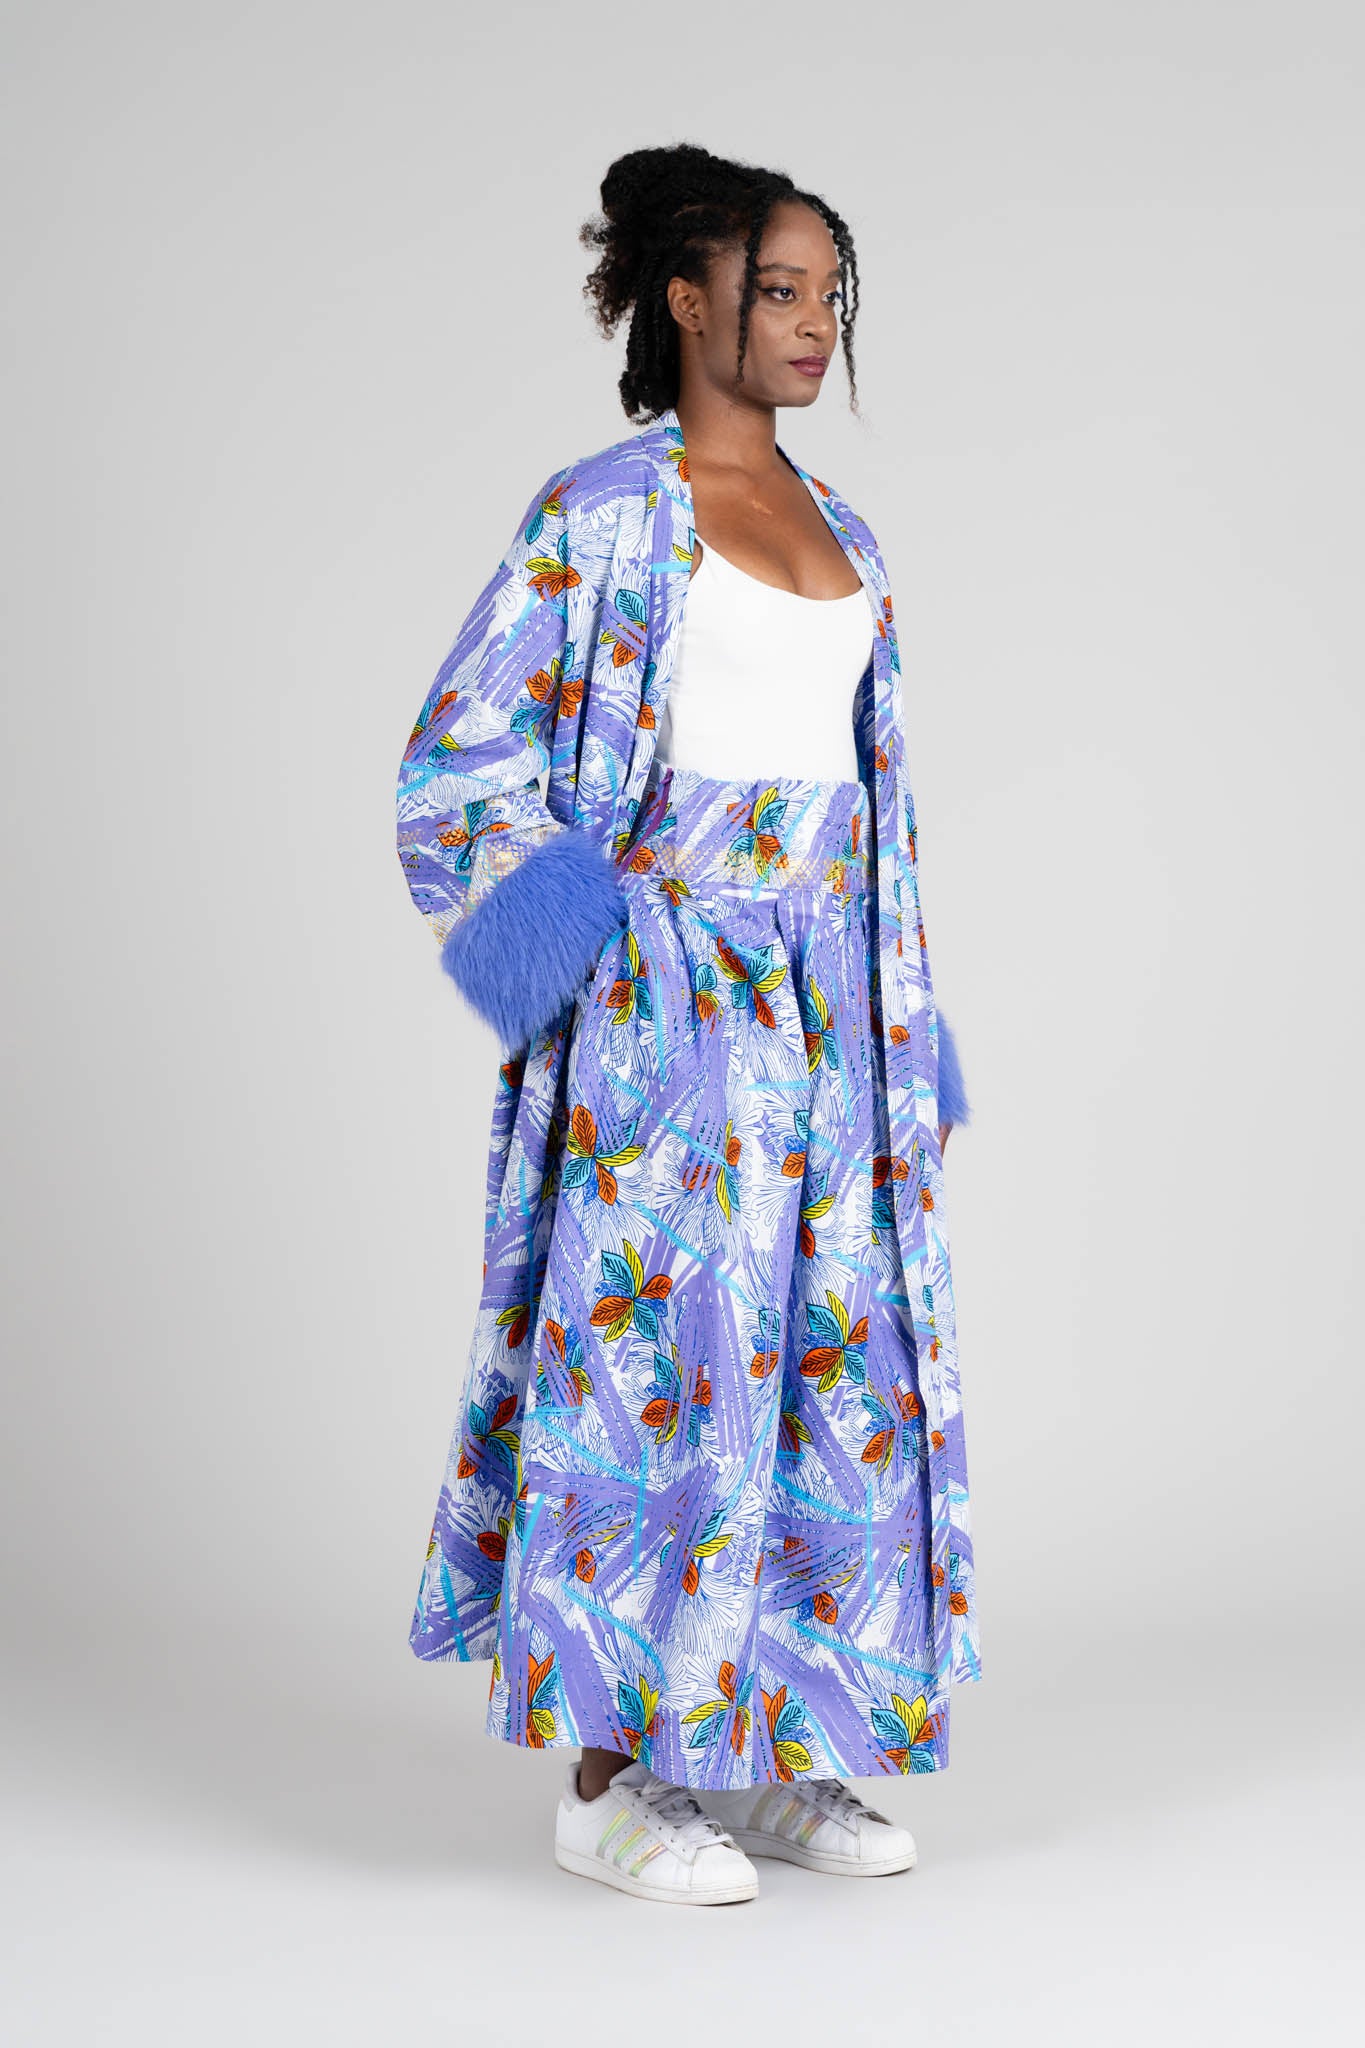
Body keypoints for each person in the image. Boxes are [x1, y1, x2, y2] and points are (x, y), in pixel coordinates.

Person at [395, 143, 980, 1905]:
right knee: (652, 1372)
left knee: (829, 1371)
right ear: (683, 296)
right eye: (777, 290)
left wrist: (906, 1020)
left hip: (833, 1008)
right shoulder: (600, 513)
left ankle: (777, 1747)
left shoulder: (847, 533)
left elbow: (875, 810)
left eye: (827, 298)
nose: (811, 326)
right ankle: (609, 1783)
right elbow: (461, 758)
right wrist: (600, 968)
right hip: (669, 1013)